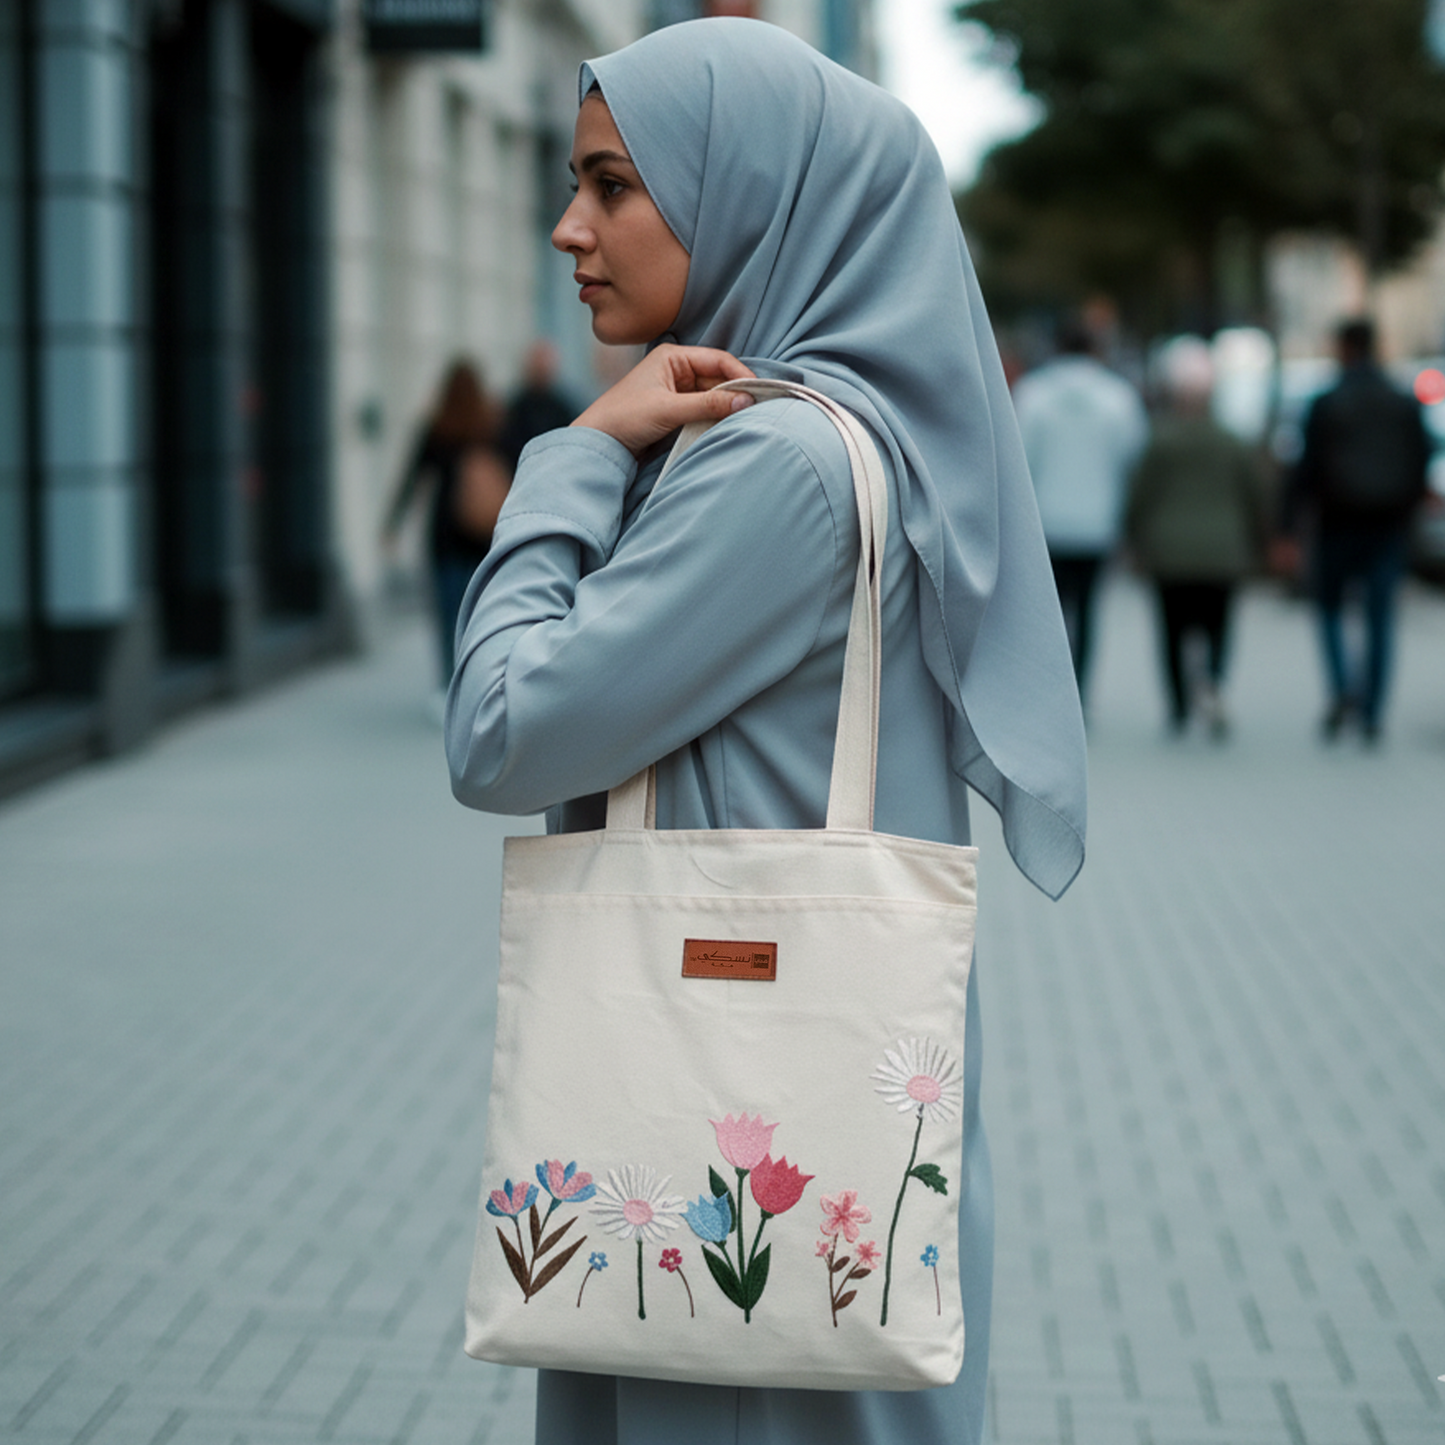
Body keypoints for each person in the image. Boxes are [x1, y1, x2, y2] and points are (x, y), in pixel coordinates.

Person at [445, 19, 1086, 1444]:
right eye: (574, 183)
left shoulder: (775, 465)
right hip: (789, 1096)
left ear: (756, 194)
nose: (570, 227)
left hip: (741, 1109)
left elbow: (496, 734)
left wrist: (572, 455)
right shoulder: (850, 434)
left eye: (612, 185)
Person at [1280, 318, 1430, 743]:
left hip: (1336, 522)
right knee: (1380, 617)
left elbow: (1304, 470)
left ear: (1344, 348)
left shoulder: (1327, 401)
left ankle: (1342, 687)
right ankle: (1373, 709)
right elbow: (1421, 460)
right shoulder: (1402, 400)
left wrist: (1288, 526)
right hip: (1387, 524)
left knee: (1329, 608)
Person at [1125, 338, 1272, 738]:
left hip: (1169, 551)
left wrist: (1133, 538)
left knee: (1171, 629)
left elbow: (1140, 494)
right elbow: (1255, 495)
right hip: (1222, 551)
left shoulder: (1161, 440)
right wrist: (1263, 541)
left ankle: (1177, 707)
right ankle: (1213, 683)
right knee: (1218, 625)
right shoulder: (1232, 441)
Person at [1012, 319, 1148, 707]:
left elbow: (1019, 457)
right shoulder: (1118, 397)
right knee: (1088, 611)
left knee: (1049, 615)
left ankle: (1050, 689)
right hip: (1097, 521)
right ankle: (1079, 691)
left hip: (1046, 522)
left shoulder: (1033, 394)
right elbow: (1131, 456)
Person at [382, 359, 507, 691]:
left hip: (445, 535)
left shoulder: (437, 427)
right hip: (484, 535)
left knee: (447, 616)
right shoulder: (490, 424)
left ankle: (448, 687)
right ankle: (478, 681)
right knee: (479, 614)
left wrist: (392, 524)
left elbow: (412, 479)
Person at [499, 340, 580, 472]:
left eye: (544, 367)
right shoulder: (515, 409)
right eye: (537, 366)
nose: (541, 371)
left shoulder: (563, 408)